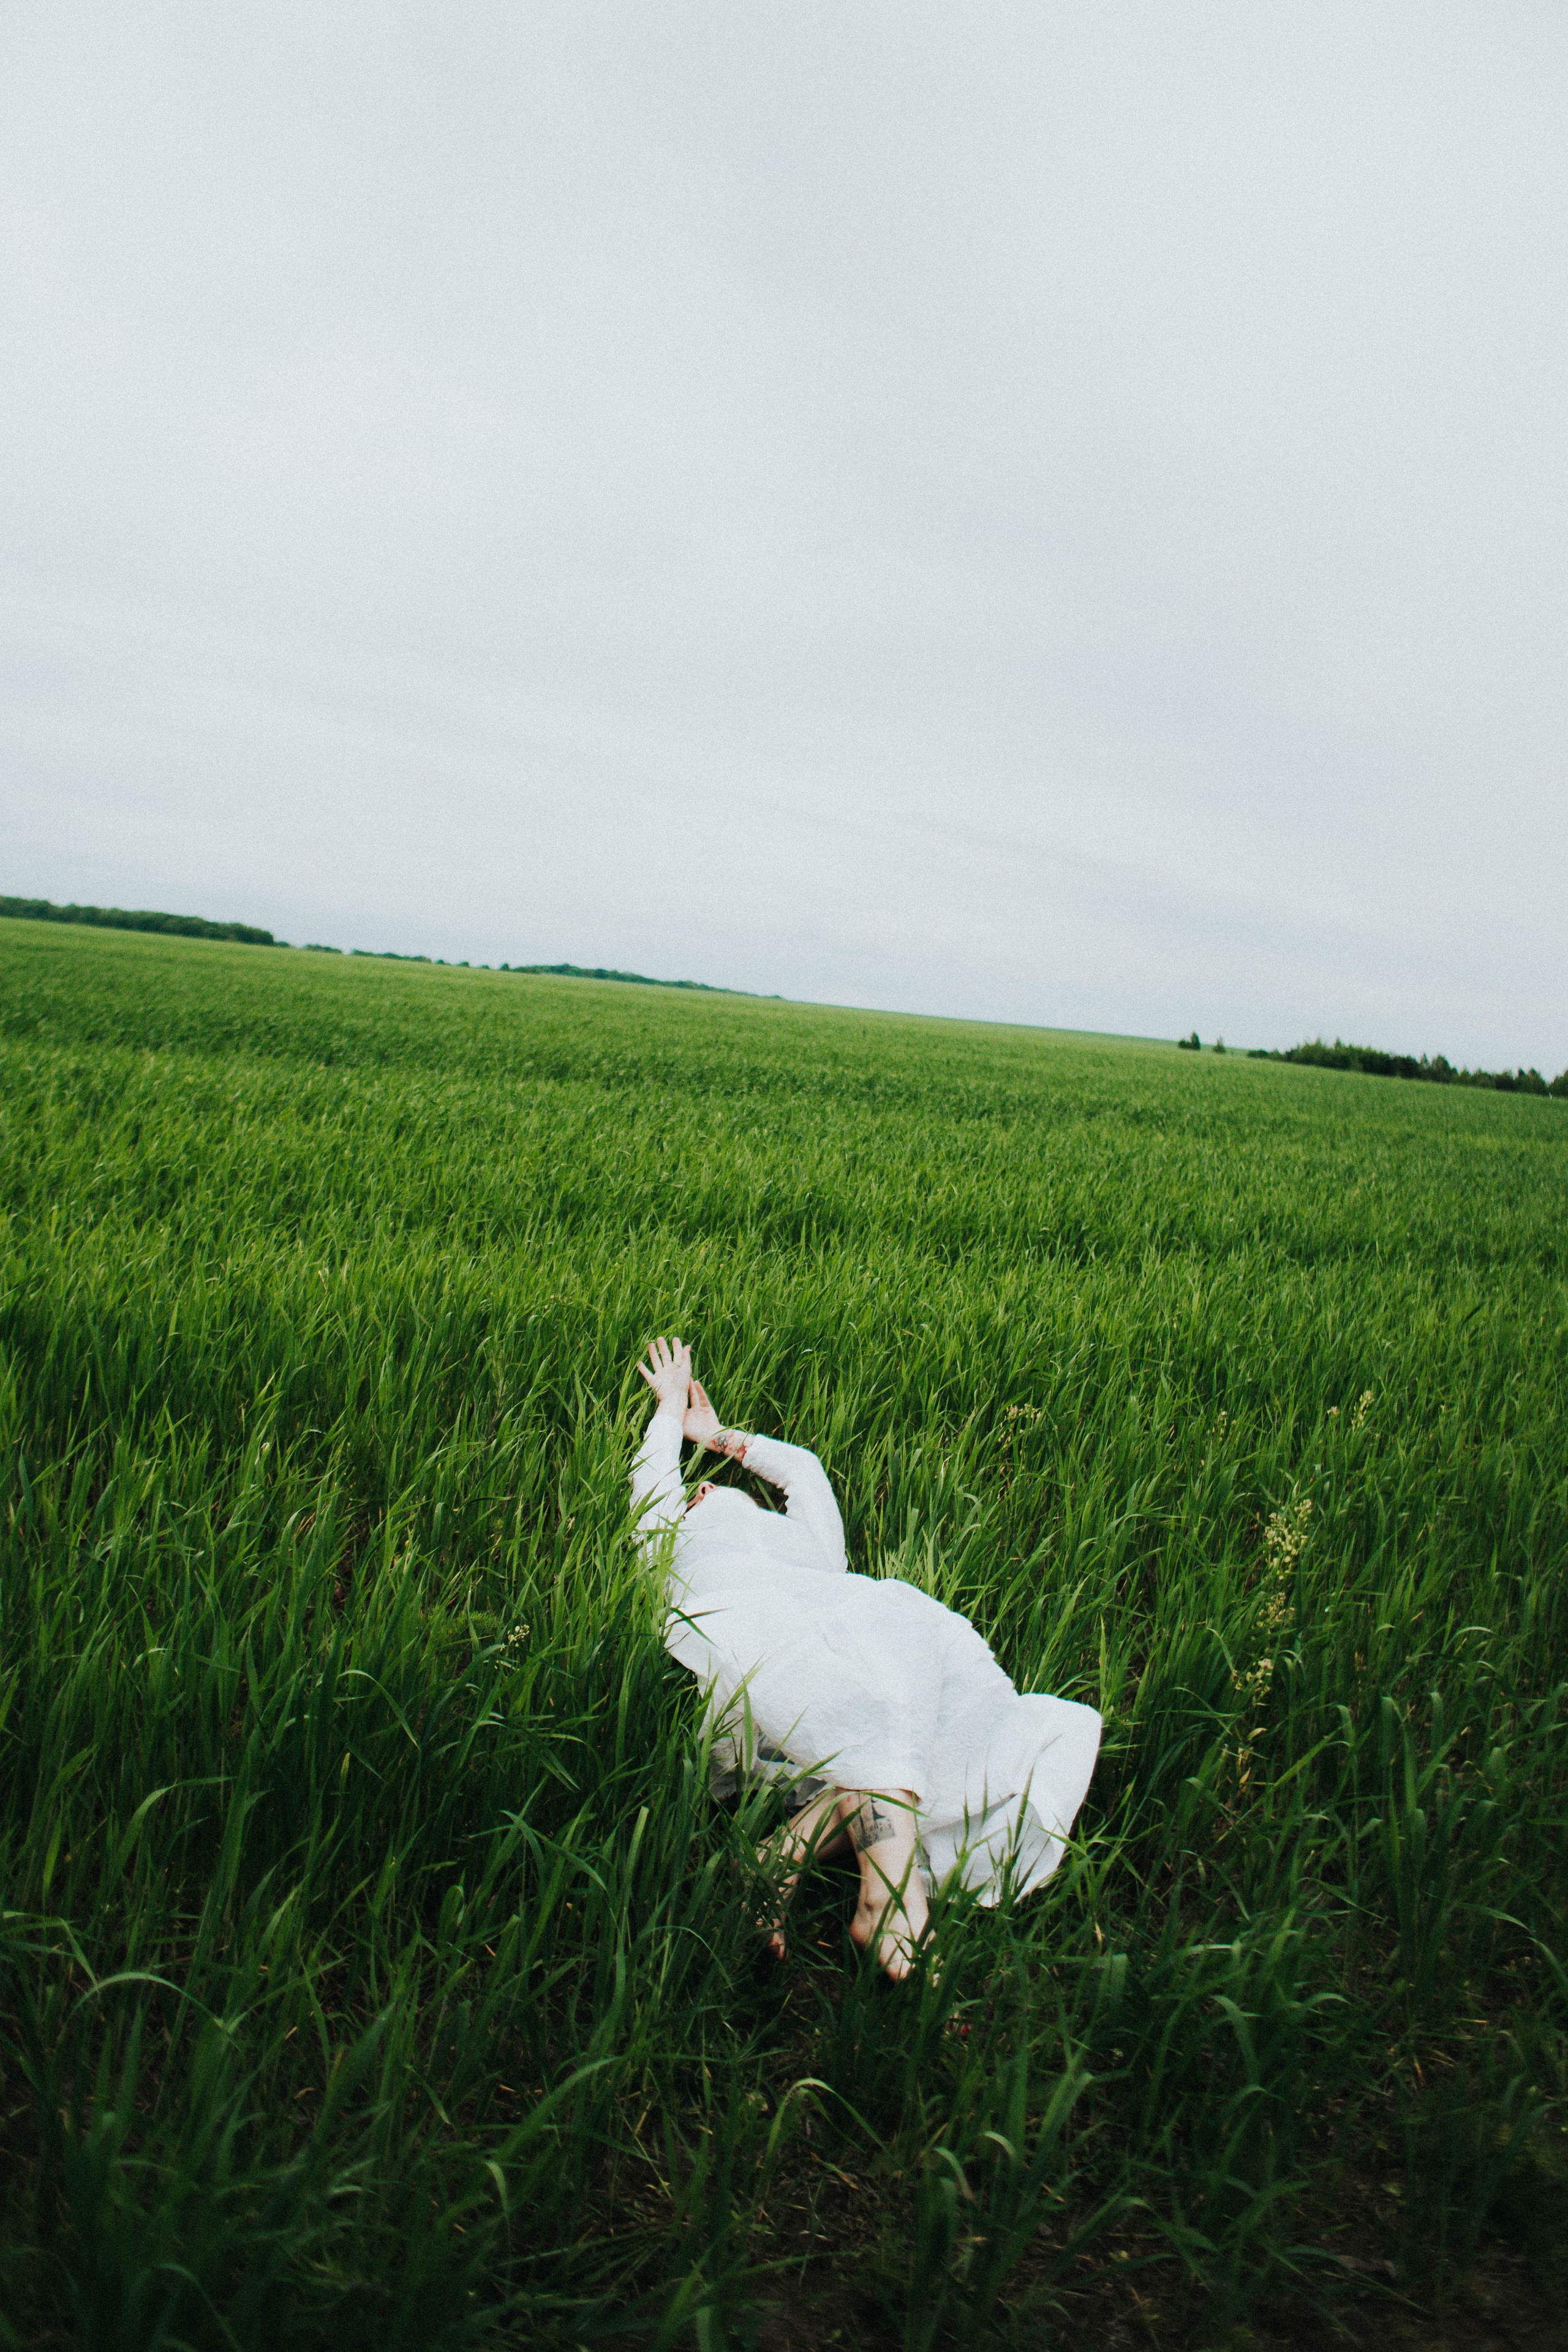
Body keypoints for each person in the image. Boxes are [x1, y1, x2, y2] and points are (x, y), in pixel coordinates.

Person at [631, 1336, 1101, 1981]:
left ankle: (783, 1856)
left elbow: (805, 1473)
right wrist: (668, 1407)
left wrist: (718, 1437)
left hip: (838, 1647)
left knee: (935, 1678)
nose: (707, 1491)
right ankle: (887, 1903)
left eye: (720, 1488)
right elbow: (653, 1481)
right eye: (697, 1493)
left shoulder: (814, 1553)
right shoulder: (674, 1542)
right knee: (886, 1643)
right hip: (750, 1643)